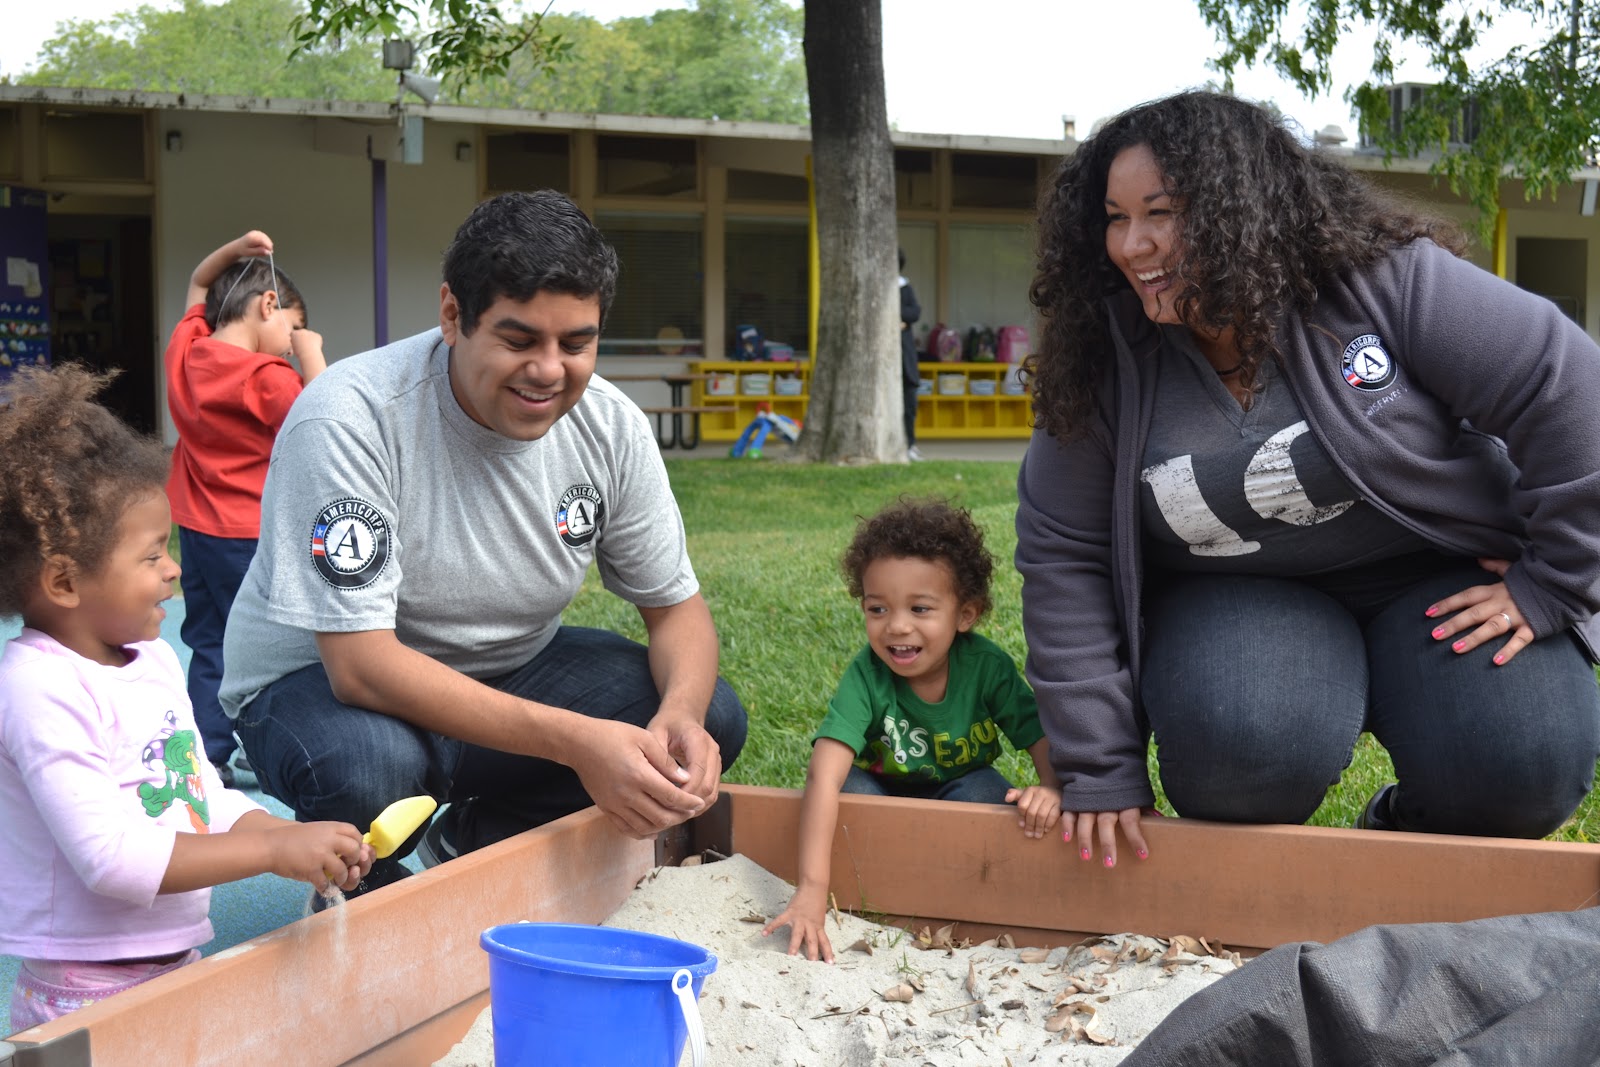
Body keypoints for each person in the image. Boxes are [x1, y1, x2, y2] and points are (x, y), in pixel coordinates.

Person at [1016, 90, 1600, 869]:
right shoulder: (1105, 353)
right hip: (1235, 594)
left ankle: (1396, 829)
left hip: (1433, 575)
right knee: (1237, 756)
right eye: (1116, 218)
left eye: (1160, 213)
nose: (1132, 244)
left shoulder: (1379, 282)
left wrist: (1555, 582)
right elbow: (1064, 555)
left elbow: (1569, 387)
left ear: (1236, 209)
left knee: (1524, 764)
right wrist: (1099, 764)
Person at [219, 190, 748, 904]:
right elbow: (360, 668)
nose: (549, 370)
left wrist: (679, 715)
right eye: (519, 340)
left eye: (576, 343)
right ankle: (373, 890)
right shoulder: (349, 418)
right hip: (324, 687)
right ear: (452, 315)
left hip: (507, 673)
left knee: (710, 716)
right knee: (370, 770)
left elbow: (677, 610)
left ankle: (477, 836)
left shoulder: (611, 426)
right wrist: (577, 741)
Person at [0, 365, 371, 1032]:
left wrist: (290, 837)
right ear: (64, 582)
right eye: (150, 557)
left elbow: (203, 799)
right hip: (87, 995)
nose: (173, 567)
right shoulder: (38, 686)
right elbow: (111, 860)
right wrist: (270, 855)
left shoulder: (153, 659)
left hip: (175, 966)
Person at [763, 499, 1060, 961]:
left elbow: (1038, 733)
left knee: (996, 802)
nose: (897, 626)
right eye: (877, 609)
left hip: (961, 787)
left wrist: (1052, 786)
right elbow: (824, 772)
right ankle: (876, 891)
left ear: (965, 614)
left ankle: (965, 896)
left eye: (920, 608)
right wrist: (812, 889)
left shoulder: (986, 667)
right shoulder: (867, 675)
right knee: (845, 793)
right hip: (880, 791)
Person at [164, 230, 327, 788]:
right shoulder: (268, 378)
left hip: (195, 532)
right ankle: (271, 751)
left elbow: (198, 281)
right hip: (250, 535)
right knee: (268, 650)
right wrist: (313, 354)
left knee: (209, 639)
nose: (289, 344)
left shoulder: (186, 352)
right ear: (268, 304)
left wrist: (235, 249)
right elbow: (325, 424)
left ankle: (208, 754)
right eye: (291, 329)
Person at [898, 248, 924, 462]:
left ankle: (910, 444)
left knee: (909, 405)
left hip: (904, 358)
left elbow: (914, 312)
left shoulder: (904, 288)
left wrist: (901, 319)